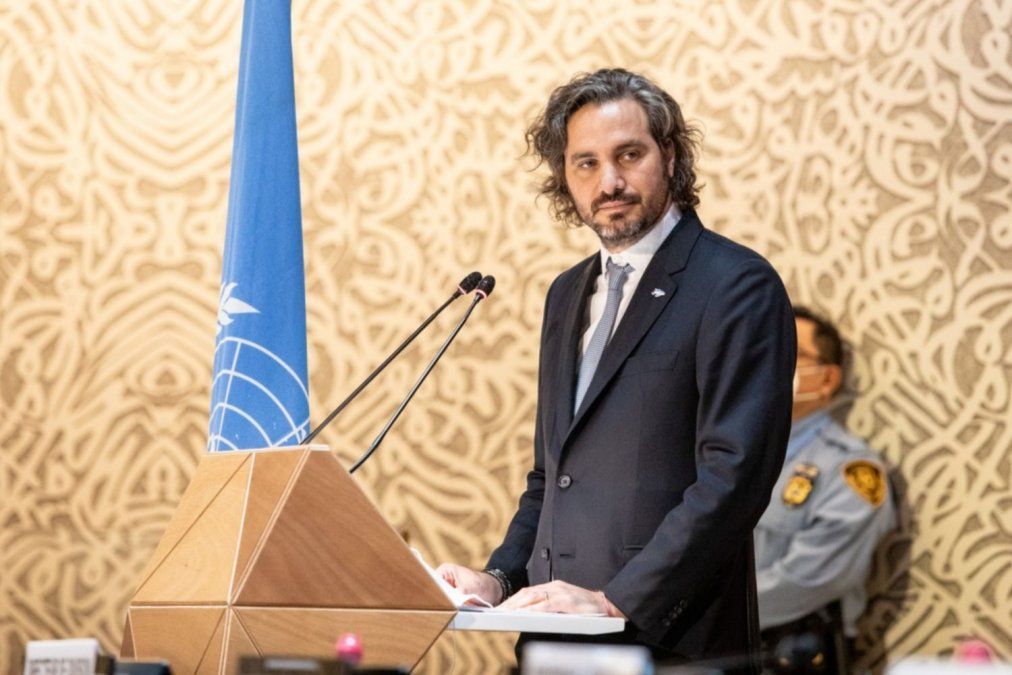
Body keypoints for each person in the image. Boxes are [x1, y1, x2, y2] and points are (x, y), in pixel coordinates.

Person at [436, 68, 796, 666]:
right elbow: (551, 477)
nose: (610, 181)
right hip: (555, 640)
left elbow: (734, 479)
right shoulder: (566, 293)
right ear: (564, 177)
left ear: (671, 156)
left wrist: (615, 600)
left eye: (629, 154)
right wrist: (498, 580)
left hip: (673, 642)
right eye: (585, 163)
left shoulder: (735, 284)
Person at [755, 306, 896, 673]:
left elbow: (811, 578)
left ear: (828, 378)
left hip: (791, 652)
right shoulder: (725, 453)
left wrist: (701, 613)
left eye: (793, 352)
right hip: (706, 647)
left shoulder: (850, 469)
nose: (774, 361)